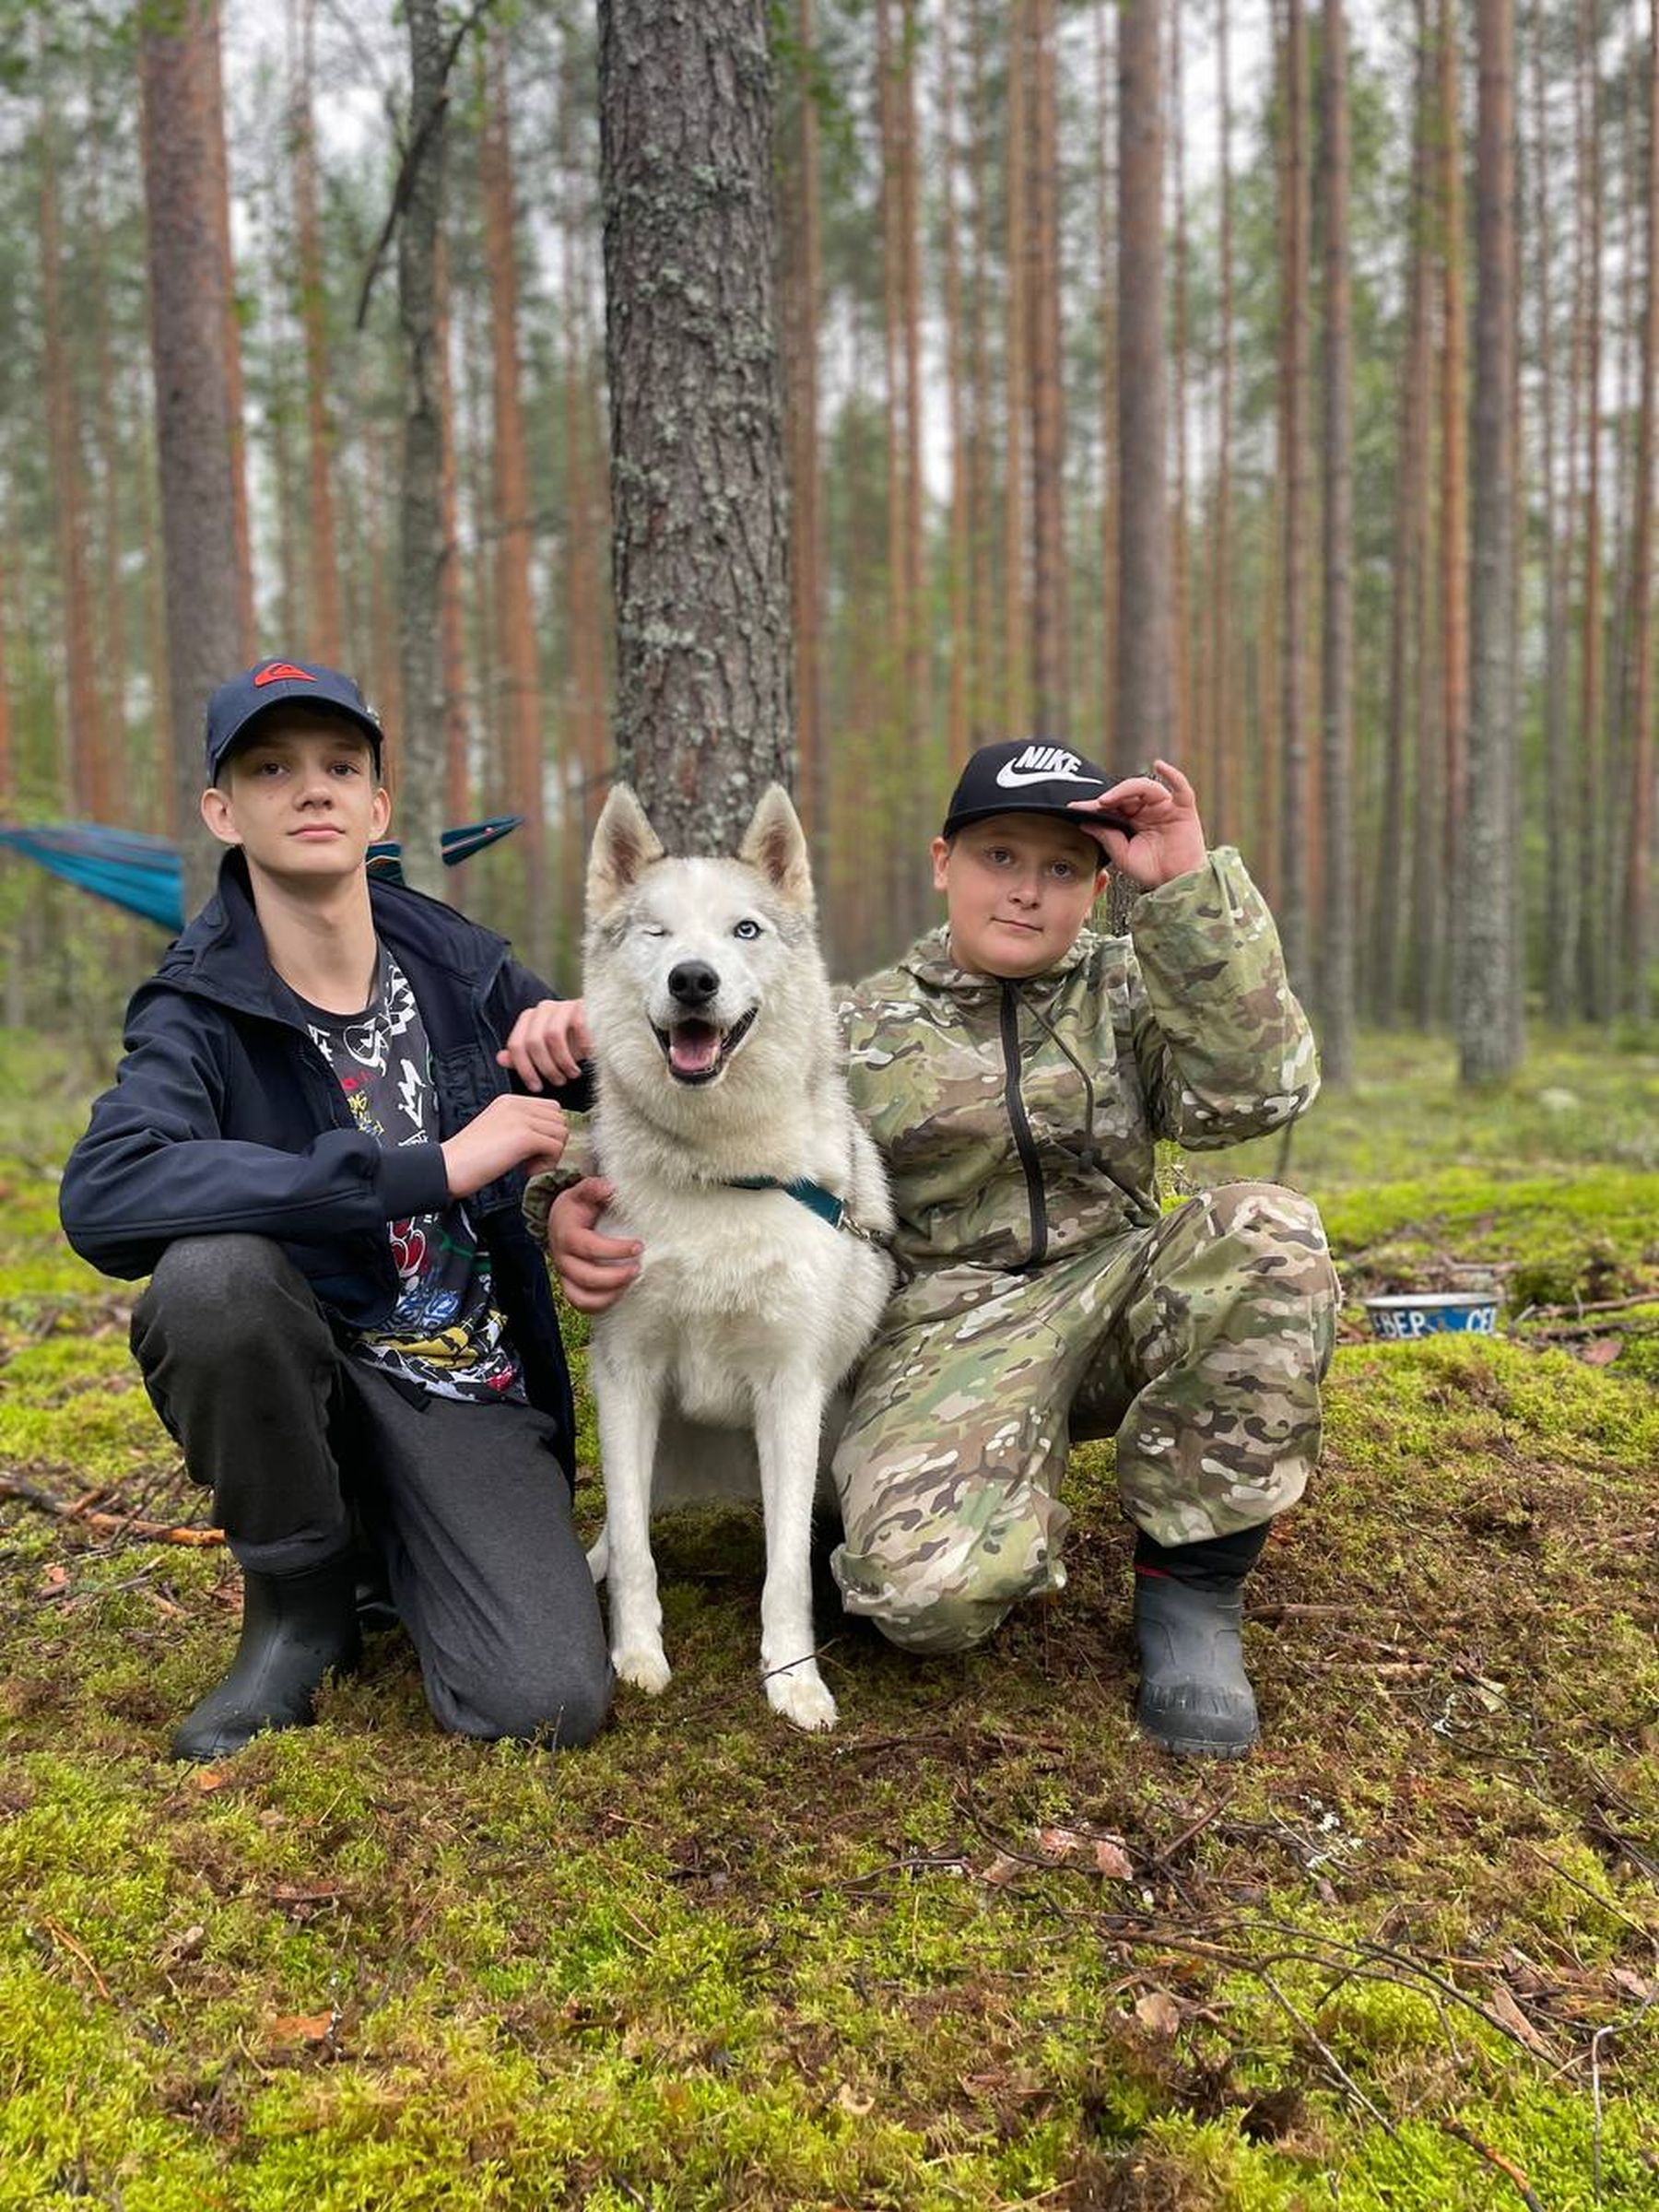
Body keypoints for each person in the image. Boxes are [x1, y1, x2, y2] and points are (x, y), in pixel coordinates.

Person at [547, 739, 1338, 1759]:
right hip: (952, 1338)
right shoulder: (854, 1026)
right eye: (999, 858)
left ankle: (1191, 1593)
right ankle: (997, 1493)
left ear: (1099, 887)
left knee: (1266, 1229)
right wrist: (557, 1203)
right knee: (919, 1601)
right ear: (942, 865)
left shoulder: (1137, 995)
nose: (1026, 892)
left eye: (1062, 869)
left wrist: (1185, 890)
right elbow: (679, 1133)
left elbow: (1261, 1093)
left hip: (1117, 1294)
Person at [59, 657, 611, 1762]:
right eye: (272, 768)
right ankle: (302, 1610)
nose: (311, 790)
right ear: (224, 810)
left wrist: (599, 1044)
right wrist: (422, 1168)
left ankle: (402, 1546)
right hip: (308, 1374)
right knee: (212, 1279)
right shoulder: (199, 1007)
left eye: (339, 766)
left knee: (544, 1703)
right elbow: (105, 1193)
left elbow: (632, 1088)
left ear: (378, 806)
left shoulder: (463, 967)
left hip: (464, 1387)